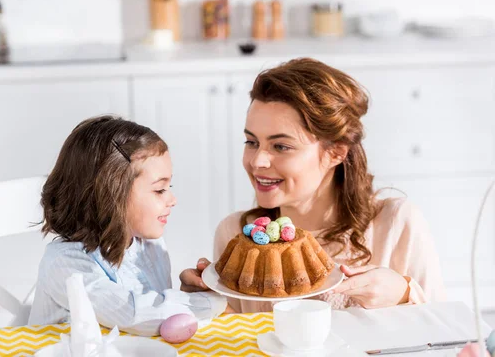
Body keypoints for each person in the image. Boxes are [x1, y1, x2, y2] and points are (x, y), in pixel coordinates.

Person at [179, 58, 446, 312]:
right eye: (251, 142)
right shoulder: (236, 234)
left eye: (281, 146)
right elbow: (238, 342)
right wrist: (206, 306)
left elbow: (446, 334)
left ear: (336, 152)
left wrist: (403, 294)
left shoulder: (395, 224)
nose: (257, 161)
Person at [28, 115, 228, 335]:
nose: (173, 199)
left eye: (169, 186)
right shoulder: (65, 264)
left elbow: (160, 318)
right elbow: (135, 315)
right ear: (111, 196)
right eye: (159, 190)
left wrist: (189, 295)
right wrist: (212, 300)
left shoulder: (150, 245)